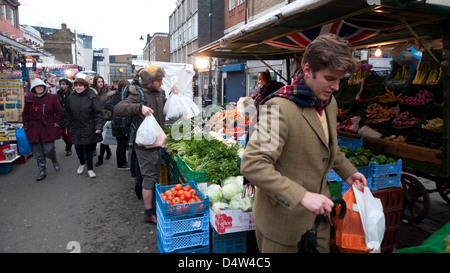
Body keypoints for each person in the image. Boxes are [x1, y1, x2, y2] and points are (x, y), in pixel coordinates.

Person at [240, 34, 367, 253]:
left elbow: (327, 145)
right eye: (329, 78)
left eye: (339, 80)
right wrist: (302, 196)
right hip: (283, 228)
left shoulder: (328, 102)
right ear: (307, 70)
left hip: (320, 222)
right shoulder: (279, 108)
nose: (336, 87)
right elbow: (253, 165)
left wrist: (348, 172)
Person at [114, 66, 178, 224]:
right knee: (150, 178)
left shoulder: (158, 94)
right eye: (159, 80)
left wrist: (172, 96)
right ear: (150, 81)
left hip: (157, 143)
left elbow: (164, 109)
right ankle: (149, 213)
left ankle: (153, 206)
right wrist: (139, 108)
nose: (161, 83)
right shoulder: (137, 94)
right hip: (145, 145)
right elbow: (118, 108)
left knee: (153, 176)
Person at [23, 78, 63, 181]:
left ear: (44, 87)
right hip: (33, 128)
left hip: (48, 127)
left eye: (41, 86)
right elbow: (25, 113)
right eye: (37, 87)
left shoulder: (52, 97)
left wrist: (56, 124)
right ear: (33, 88)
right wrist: (26, 126)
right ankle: (42, 170)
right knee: (38, 152)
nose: (39, 88)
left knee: (49, 149)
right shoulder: (28, 98)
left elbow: (59, 111)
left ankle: (53, 159)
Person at [66, 78, 104, 178]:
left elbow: (98, 113)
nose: (78, 87)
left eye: (80, 85)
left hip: (89, 126)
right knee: (78, 147)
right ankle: (82, 163)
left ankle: (90, 168)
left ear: (85, 86)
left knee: (89, 148)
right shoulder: (71, 97)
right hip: (75, 127)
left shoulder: (92, 96)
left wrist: (98, 126)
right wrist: (69, 125)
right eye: (76, 85)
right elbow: (68, 112)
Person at [104, 79, 130, 170]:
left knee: (123, 144)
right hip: (118, 124)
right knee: (121, 144)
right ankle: (121, 163)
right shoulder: (116, 96)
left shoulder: (124, 96)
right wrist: (118, 109)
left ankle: (124, 161)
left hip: (123, 123)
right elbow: (107, 105)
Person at [92, 75, 113, 167]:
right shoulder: (92, 92)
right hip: (96, 117)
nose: (100, 83)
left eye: (102, 81)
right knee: (100, 138)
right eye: (98, 81)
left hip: (106, 117)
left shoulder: (108, 92)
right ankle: (108, 151)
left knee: (103, 138)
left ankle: (100, 158)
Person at [56, 79, 74, 156]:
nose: (62, 86)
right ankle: (68, 144)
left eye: (63, 84)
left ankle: (69, 148)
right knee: (61, 132)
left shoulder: (72, 93)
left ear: (68, 85)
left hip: (70, 115)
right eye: (61, 84)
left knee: (70, 133)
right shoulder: (58, 93)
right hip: (61, 115)